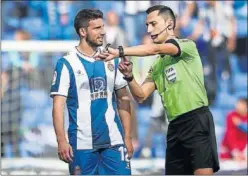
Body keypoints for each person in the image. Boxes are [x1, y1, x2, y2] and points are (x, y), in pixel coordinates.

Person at [97, 5, 220, 175]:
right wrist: (129, 76)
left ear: (169, 24)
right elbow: (140, 95)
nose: (149, 29)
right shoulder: (158, 64)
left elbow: (153, 49)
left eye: (153, 24)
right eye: (147, 25)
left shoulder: (186, 45)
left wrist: (119, 51)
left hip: (196, 120)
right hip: (174, 126)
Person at [50, 9, 133, 175]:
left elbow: (123, 99)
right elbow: (58, 107)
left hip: (114, 142)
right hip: (82, 145)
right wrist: (61, 141)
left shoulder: (112, 60)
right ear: (82, 31)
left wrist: (128, 137)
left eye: (103, 27)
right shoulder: (66, 63)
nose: (103, 31)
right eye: (96, 28)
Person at [220, 98, 247, 162]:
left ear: (246, 107)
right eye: (237, 104)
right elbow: (230, 134)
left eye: (240, 105)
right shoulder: (231, 115)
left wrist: (241, 124)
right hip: (229, 147)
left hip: (243, 148)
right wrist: (235, 151)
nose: (237, 107)